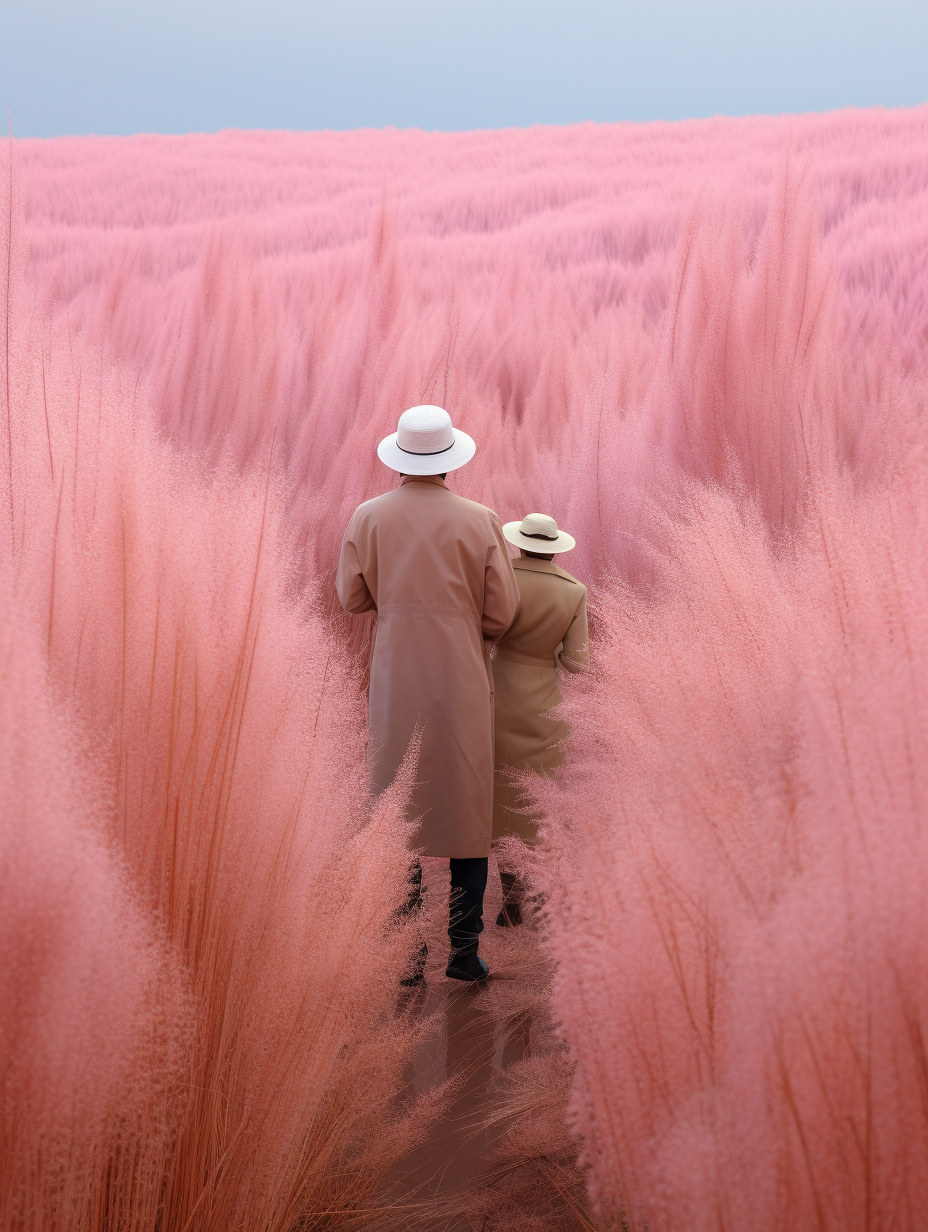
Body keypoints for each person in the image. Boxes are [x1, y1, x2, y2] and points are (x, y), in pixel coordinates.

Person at [336, 405, 521, 984]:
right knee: (467, 814)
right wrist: (468, 632)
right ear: (449, 461)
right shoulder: (481, 519)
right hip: (462, 678)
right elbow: (503, 610)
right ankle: (463, 955)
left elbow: (350, 598)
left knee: (397, 811)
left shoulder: (367, 517)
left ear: (399, 457)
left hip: (395, 680)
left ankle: (407, 957)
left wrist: (393, 605)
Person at [491, 513, 588, 925]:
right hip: (544, 700)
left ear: (519, 542)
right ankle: (532, 892)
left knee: (497, 795)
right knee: (535, 796)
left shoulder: (500, 577)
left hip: (494, 691)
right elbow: (577, 662)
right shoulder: (574, 591)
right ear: (555, 546)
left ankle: (507, 896)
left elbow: (481, 630)